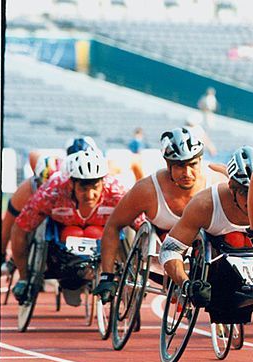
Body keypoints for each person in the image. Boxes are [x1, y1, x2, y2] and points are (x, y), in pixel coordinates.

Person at [92, 127, 226, 303]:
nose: (187, 173)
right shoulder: (147, 190)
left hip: (205, 258)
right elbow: (114, 225)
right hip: (160, 263)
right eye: (179, 166)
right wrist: (107, 276)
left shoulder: (216, 183)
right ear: (167, 164)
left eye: (193, 164)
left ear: (200, 160)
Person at [159, 146, 253, 308]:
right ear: (232, 188)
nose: (252, 199)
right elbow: (169, 250)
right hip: (219, 274)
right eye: (245, 192)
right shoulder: (204, 204)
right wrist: (186, 284)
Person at [11, 150, 127, 306]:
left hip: (102, 234)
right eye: (83, 188)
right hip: (65, 238)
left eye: (95, 187)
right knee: (74, 232)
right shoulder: (51, 192)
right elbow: (20, 229)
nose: (90, 195)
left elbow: (141, 224)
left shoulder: (116, 192)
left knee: (110, 230)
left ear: (103, 182)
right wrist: (24, 277)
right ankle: (72, 280)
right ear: (71, 183)